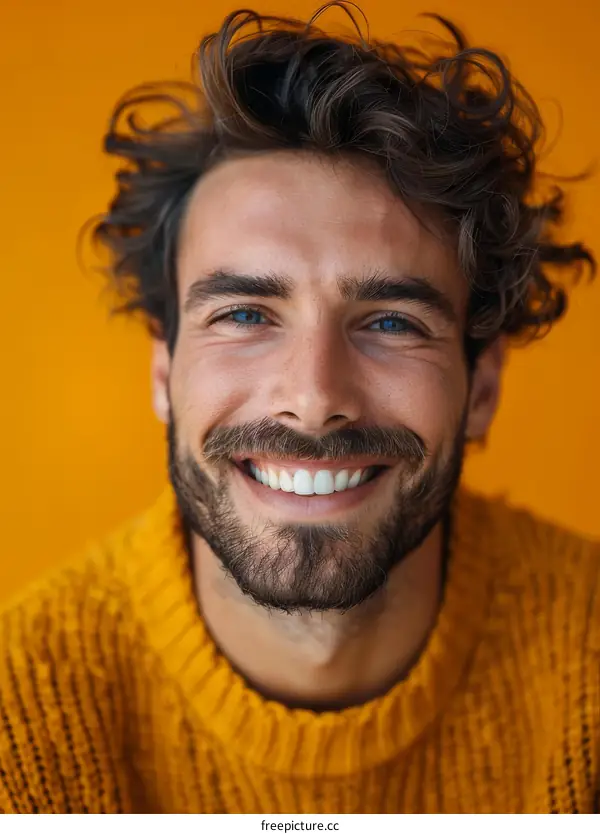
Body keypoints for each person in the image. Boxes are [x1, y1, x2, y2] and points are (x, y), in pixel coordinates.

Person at [0, 3, 598, 815]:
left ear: (482, 387)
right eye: (244, 315)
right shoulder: (17, 708)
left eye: (392, 322)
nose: (314, 400)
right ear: (162, 370)